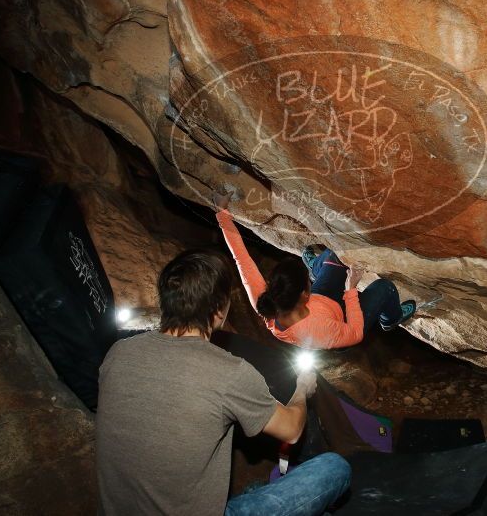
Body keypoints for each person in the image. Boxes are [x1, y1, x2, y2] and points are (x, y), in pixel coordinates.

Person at [96, 249, 351, 516]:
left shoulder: (118, 353)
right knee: (335, 468)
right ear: (219, 310)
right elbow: (291, 430)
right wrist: (302, 388)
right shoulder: (229, 372)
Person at [213, 191, 416, 349]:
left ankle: (318, 267)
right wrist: (351, 291)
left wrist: (222, 214)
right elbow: (355, 334)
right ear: (304, 294)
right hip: (342, 321)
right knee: (385, 288)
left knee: (335, 254)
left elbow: (242, 259)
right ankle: (391, 319)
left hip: (323, 302)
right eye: (308, 282)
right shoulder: (318, 331)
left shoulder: (267, 300)